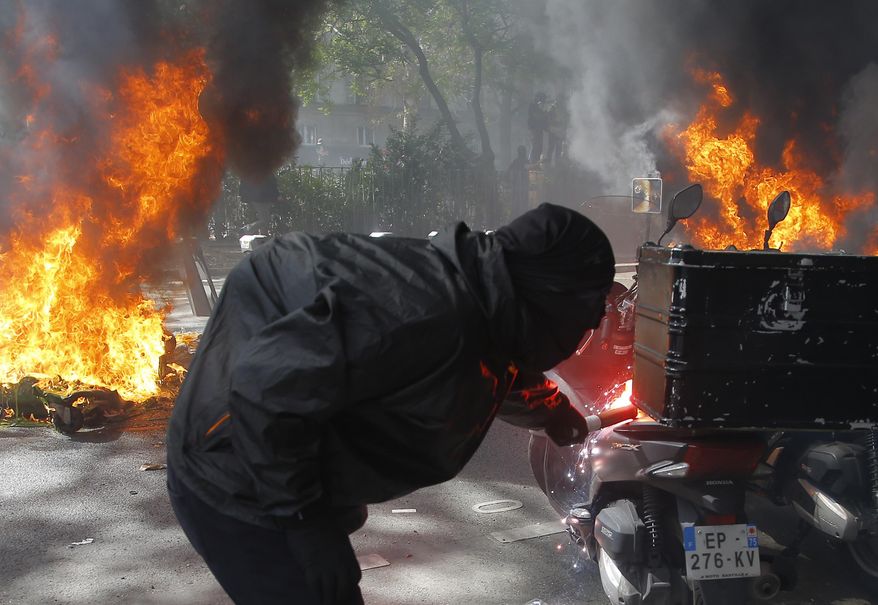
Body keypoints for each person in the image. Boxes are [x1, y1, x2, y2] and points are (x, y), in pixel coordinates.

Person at [166, 203, 615, 604]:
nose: (587, 328)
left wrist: (551, 409)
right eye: (587, 314)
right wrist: (308, 527)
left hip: (285, 468)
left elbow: (492, 367)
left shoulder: (485, 305)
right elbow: (265, 394)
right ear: (550, 296)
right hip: (236, 474)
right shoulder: (423, 314)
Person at [505, 145, 530, 217]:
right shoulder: (516, 162)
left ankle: (521, 215)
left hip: (523, 186)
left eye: (523, 151)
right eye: (521, 151)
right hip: (517, 187)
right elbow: (508, 171)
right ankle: (516, 215)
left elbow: (529, 171)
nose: (522, 153)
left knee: (522, 201)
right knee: (517, 201)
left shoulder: (525, 161)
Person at [527, 92, 549, 163]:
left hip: (539, 130)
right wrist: (545, 114)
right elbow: (536, 116)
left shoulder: (538, 107)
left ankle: (536, 162)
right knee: (535, 147)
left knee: (539, 147)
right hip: (533, 129)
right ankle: (532, 162)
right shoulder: (533, 106)